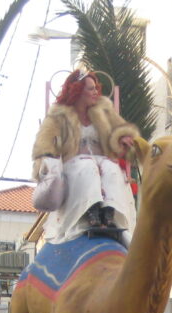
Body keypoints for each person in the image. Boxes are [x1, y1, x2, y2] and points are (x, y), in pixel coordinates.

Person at [31, 70, 139, 244]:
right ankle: (91, 212)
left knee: (111, 168)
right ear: (78, 91)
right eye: (90, 89)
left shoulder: (104, 112)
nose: (96, 92)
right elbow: (45, 144)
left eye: (96, 88)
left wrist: (125, 139)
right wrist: (48, 161)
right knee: (87, 166)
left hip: (103, 162)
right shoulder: (58, 117)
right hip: (73, 165)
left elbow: (121, 130)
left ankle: (109, 214)